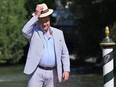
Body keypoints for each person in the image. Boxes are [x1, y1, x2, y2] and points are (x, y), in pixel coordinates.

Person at [22, 3, 70, 87]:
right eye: (41, 21)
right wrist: (36, 16)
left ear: (49, 20)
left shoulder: (59, 33)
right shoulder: (33, 32)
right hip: (36, 72)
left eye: (46, 21)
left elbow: (64, 53)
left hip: (53, 72)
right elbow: (24, 31)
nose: (44, 24)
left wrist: (66, 70)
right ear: (38, 21)